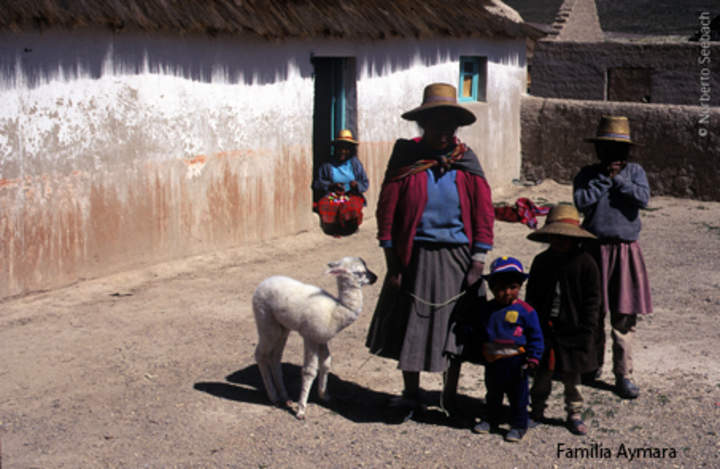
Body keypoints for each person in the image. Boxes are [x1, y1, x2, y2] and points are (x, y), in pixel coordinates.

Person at [365, 83, 494, 414]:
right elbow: (387, 213)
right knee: (413, 324)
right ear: (424, 125)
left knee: (456, 328)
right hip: (416, 257)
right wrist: (393, 264)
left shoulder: (466, 162)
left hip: (458, 257)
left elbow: (483, 212)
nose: (443, 132)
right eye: (436, 125)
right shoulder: (406, 159)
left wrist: (478, 261)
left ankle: (448, 395)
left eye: (449, 125)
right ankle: (412, 393)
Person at [573, 115, 652, 399]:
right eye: (606, 149)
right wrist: (603, 181)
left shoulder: (635, 173)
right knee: (592, 313)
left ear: (627, 152)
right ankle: (591, 365)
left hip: (625, 251)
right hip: (594, 250)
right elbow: (581, 202)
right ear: (598, 150)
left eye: (618, 150)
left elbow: (643, 199)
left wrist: (619, 181)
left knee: (623, 315)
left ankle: (623, 374)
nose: (612, 155)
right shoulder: (587, 175)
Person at [525, 204, 601, 436]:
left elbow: (592, 301)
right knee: (542, 374)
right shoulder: (541, 262)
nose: (560, 242)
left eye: (565, 238)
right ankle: (537, 409)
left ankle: (574, 413)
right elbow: (532, 297)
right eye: (555, 237)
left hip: (574, 329)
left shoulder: (586, 263)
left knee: (573, 376)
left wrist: (588, 330)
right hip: (546, 328)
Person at [471, 257, 543, 443]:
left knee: (518, 396)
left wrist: (533, 358)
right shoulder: (487, 310)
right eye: (501, 288)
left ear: (520, 287)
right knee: (493, 393)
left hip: (517, 363)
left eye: (512, 287)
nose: (506, 293)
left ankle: (519, 425)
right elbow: (480, 332)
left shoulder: (526, 311)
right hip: (493, 361)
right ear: (492, 288)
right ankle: (490, 419)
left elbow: (535, 336)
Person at [312, 129, 369, 236]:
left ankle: (348, 228)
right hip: (332, 195)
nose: (343, 151)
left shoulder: (355, 164)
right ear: (336, 148)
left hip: (351, 195)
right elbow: (317, 183)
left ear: (350, 150)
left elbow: (365, 182)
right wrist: (330, 186)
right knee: (325, 205)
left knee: (351, 206)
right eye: (340, 148)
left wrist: (356, 185)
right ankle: (333, 229)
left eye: (346, 149)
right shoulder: (327, 165)